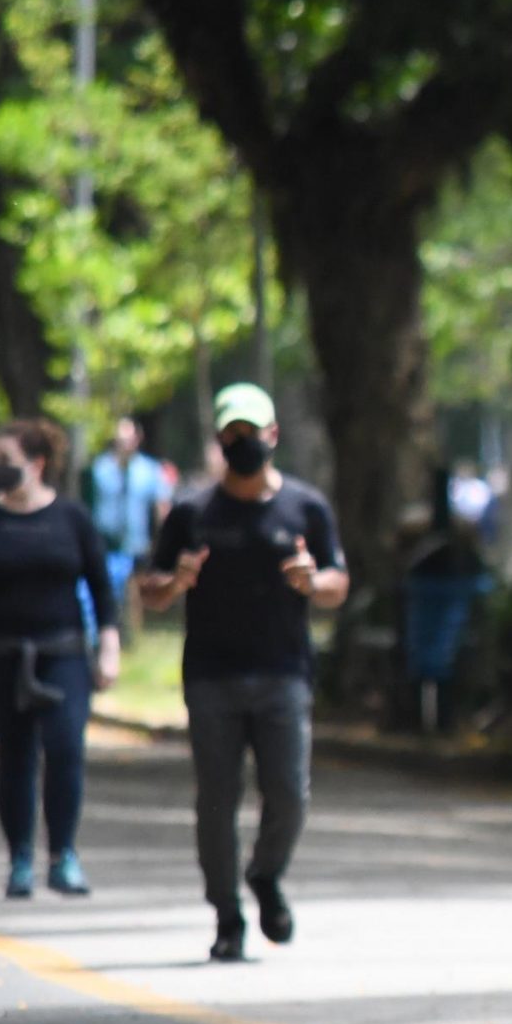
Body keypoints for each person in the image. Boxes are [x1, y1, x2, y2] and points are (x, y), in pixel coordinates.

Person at [143, 384, 348, 963]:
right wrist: (174, 580)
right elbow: (149, 589)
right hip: (211, 676)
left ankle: (265, 873)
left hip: (284, 673)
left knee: (289, 793)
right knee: (216, 800)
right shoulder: (191, 512)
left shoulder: (305, 508)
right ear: (218, 441)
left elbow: (338, 583)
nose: (242, 444)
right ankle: (226, 914)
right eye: (231, 434)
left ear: (273, 436)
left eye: (251, 434)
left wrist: (315, 579)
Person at [0, 420, 121, 900]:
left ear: (37, 464)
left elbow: (103, 588)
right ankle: (20, 856)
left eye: (8, 462)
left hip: (61, 653)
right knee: (15, 756)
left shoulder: (71, 519)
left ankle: (63, 854)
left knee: (65, 749)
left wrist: (108, 645)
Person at [88, 416, 171, 637]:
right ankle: (107, 630)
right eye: (119, 439)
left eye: (127, 439)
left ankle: (132, 636)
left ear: (137, 439)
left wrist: (163, 541)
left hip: (137, 542)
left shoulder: (150, 469)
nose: (123, 444)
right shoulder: (99, 469)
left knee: (135, 593)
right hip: (105, 542)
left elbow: (161, 507)